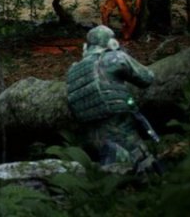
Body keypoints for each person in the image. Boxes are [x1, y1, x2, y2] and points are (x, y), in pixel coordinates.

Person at [67, 25, 160, 174]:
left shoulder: (73, 69)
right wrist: (123, 55)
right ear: (112, 43)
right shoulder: (115, 57)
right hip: (118, 123)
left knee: (108, 166)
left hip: (88, 132)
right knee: (143, 162)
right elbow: (147, 78)